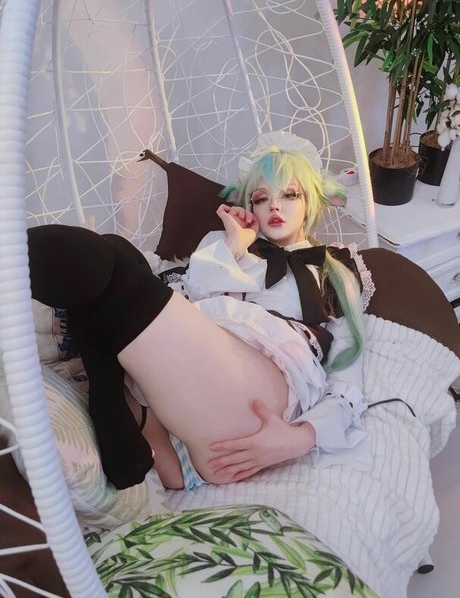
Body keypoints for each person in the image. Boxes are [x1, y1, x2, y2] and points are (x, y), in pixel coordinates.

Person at [27, 142, 374, 491]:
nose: (274, 206)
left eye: (290, 195)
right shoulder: (226, 246)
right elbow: (188, 299)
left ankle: (109, 397)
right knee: (116, 248)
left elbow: (348, 378)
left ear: (311, 201)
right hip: (194, 391)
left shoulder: (334, 267)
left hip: (260, 399)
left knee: (99, 259)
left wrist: (302, 437)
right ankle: (124, 413)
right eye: (261, 198)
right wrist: (235, 245)